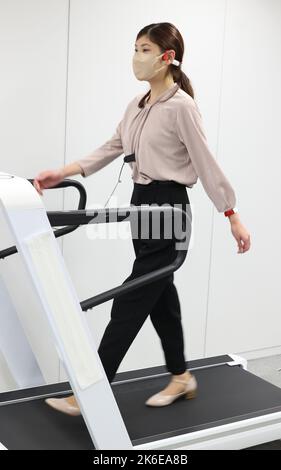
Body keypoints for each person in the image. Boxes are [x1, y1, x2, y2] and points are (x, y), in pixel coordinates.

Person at [33, 22, 251, 415]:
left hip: (168, 205)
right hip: (141, 202)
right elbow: (111, 147)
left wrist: (231, 213)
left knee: (133, 296)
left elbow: (205, 162)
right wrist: (61, 172)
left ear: (167, 57)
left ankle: (90, 390)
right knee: (158, 291)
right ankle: (182, 376)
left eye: (146, 49)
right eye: (136, 47)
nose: (137, 56)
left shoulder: (182, 106)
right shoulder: (136, 106)